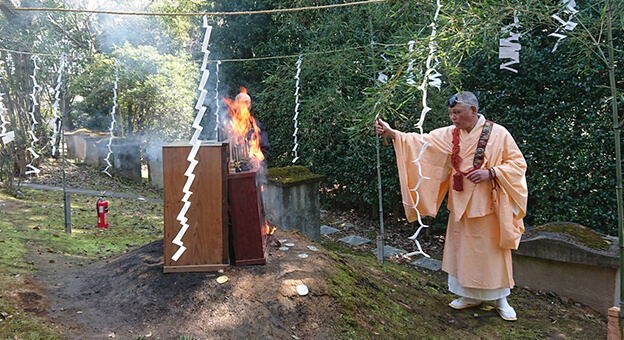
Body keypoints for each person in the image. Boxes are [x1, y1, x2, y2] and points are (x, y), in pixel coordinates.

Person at [375, 91, 527, 321]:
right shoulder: (450, 134)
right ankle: (467, 294)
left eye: (457, 112)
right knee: (463, 249)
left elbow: (518, 164)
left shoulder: (499, 134)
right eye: (451, 113)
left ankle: (500, 298)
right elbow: (422, 142)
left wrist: (491, 172)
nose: (453, 118)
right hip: (460, 199)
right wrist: (393, 133)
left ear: (473, 111)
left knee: (491, 252)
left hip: (489, 203)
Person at [233, 91, 270, 161]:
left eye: (246, 102)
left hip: (254, 167)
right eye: (240, 102)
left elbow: (265, 147)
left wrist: (258, 162)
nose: (243, 105)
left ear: (250, 105)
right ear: (235, 104)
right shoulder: (229, 125)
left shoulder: (257, 125)